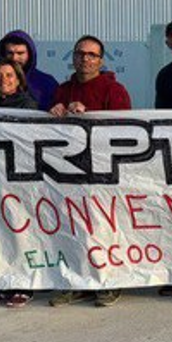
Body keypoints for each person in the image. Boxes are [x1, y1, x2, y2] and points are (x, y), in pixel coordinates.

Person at [48, 36, 132, 308]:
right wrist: (55, 113)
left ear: (101, 60)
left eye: (92, 55)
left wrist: (89, 114)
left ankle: (109, 282)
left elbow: (124, 130)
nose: (86, 59)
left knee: (104, 228)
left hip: (103, 174)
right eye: (81, 54)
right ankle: (79, 282)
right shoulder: (62, 90)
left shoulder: (115, 90)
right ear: (73, 57)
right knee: (72, 227)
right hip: (69, 173)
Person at [0, 60, 38, 307]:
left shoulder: (28, 106)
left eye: (10, 75)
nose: (5, 79)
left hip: (19, 180)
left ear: (18, 79)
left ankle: (23, 286)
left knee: (20, 232)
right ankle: (2, 284)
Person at [0, 29, 59, 108]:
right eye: (10, 53)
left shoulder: (46, 83)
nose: (14, 58)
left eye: (20, 53)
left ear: (29, 54)